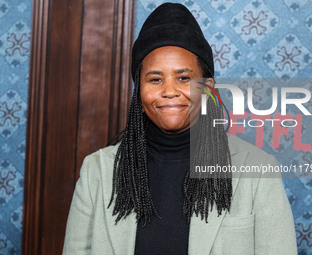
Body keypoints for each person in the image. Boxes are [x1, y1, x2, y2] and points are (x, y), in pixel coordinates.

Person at [63, 3, 297, 255]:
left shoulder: (258, 171)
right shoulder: (96, 172)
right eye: (155, 79)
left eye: (184, 78)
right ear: (138, 90)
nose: (169, 91)